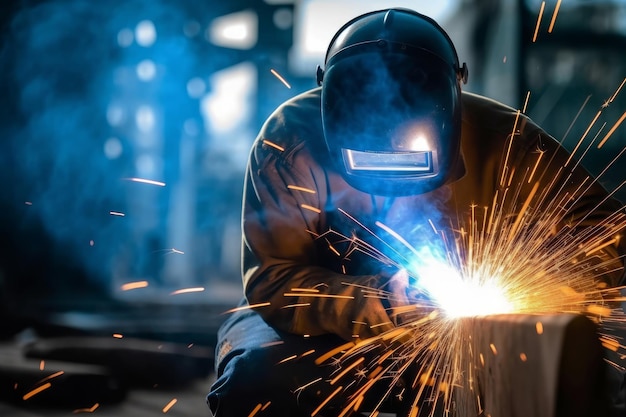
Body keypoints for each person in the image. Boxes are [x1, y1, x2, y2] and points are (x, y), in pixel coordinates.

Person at [207, 8, 626, 417]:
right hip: (318, 332)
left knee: (551, 376)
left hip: (468, 335)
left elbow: (605, 234)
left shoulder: (508, 142)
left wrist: (531, 294)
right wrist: (380, 302)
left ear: (453, 101)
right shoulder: (289, 145)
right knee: (255, 379)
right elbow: (274, 278)